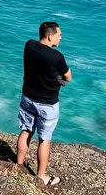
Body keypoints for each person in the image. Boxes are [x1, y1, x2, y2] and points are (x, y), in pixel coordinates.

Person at [16, 21, 72, 186]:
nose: (61, 37)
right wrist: (57, 78)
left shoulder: (29, 45)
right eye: (59, 35)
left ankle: (18, 165)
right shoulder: (57, 57)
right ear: (49, 35)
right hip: (47, 105)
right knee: (44, 139)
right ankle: (41, 176)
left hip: (27, 97)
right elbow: (68, 77)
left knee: (26, 131)